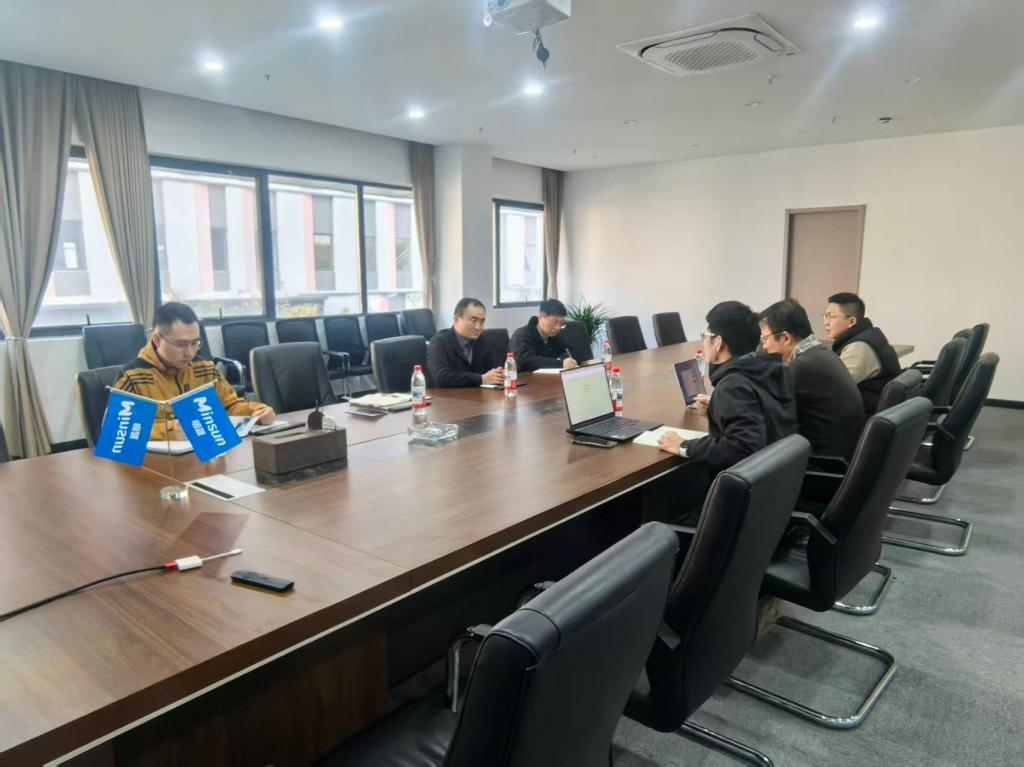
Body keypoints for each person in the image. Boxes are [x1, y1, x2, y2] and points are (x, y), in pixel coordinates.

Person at [657, 301, 798, 468]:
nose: (703, 342)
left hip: (750, 479)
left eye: (705, 335)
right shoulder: (772, 370)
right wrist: (716, 409)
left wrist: (684, 445)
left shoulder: (732, 385)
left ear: (718, 342)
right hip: (780, 472)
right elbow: (765, 416)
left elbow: (743, 447)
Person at [114, 302, 275, 441]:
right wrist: (170, 431)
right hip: (155, 462)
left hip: (206, 453)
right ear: (157, 340)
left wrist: (256, 411)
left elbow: (229, 406)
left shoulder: (204, 368)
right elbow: (120, 430)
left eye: (195, 343)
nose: (189, 353)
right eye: (181, 344)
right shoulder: (132, 376)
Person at [759, 299, 866, 460]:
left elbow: (760, 414)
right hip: (844, 457)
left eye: (765, 339)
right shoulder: (823, 354)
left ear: (786, 338)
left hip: (822, 465)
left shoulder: (800, 368)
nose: (764, 346)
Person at [822, 292, 900, 412]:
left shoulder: (859, 347)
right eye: (825, 316)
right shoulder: (869, 334)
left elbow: (832, 386)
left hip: (866, 415)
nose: (826, 322)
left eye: (831, 317)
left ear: (851, 321)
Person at [427, 297, 505, 387]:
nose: (478, 327)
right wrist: (481, 379)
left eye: (482, 321)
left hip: (477, 394)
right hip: (446, 395)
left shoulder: (481, 340)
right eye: (473, 321)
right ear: (456, 319)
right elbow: (441, 378)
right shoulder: (439, 342)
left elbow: (496, 368)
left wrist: (500, 374)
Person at [509, 298, 580, 372]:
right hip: (525, 378)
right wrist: (560, 363)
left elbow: (566, 353)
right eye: (554, 322)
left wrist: (568, 360)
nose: (557, 327)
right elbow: (526, 361)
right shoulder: (521, 336)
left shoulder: (556, 336)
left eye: (561, 323)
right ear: (540, 317)